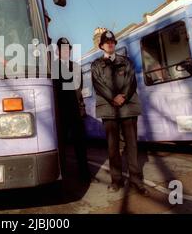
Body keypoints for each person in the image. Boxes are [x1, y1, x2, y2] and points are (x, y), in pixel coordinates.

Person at [90, 30, 149, 195]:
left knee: (132, 145)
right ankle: (116, 181)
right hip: (109, 110)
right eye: (106, 42)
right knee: (112, 147)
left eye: (112, 42)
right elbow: (98, 84)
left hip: (128, 107)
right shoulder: (96, 65)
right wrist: (113, 98)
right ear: (101, 45)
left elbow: (132, 82)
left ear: (115, 44)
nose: (110, 44)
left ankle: (136, 181)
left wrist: (123, 97)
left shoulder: (126, 61)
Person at [55, 37, 98, 183]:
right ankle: (62, 175)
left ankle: (85, 174)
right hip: (61, 112)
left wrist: (82, 108)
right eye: (63, 49)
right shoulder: (53, 68)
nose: (66, 51)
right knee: (61, 146)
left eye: (68, 49)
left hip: (76, 111)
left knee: (80, 144)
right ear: (58, 51)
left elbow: (79, 90)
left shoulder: (76, 67)